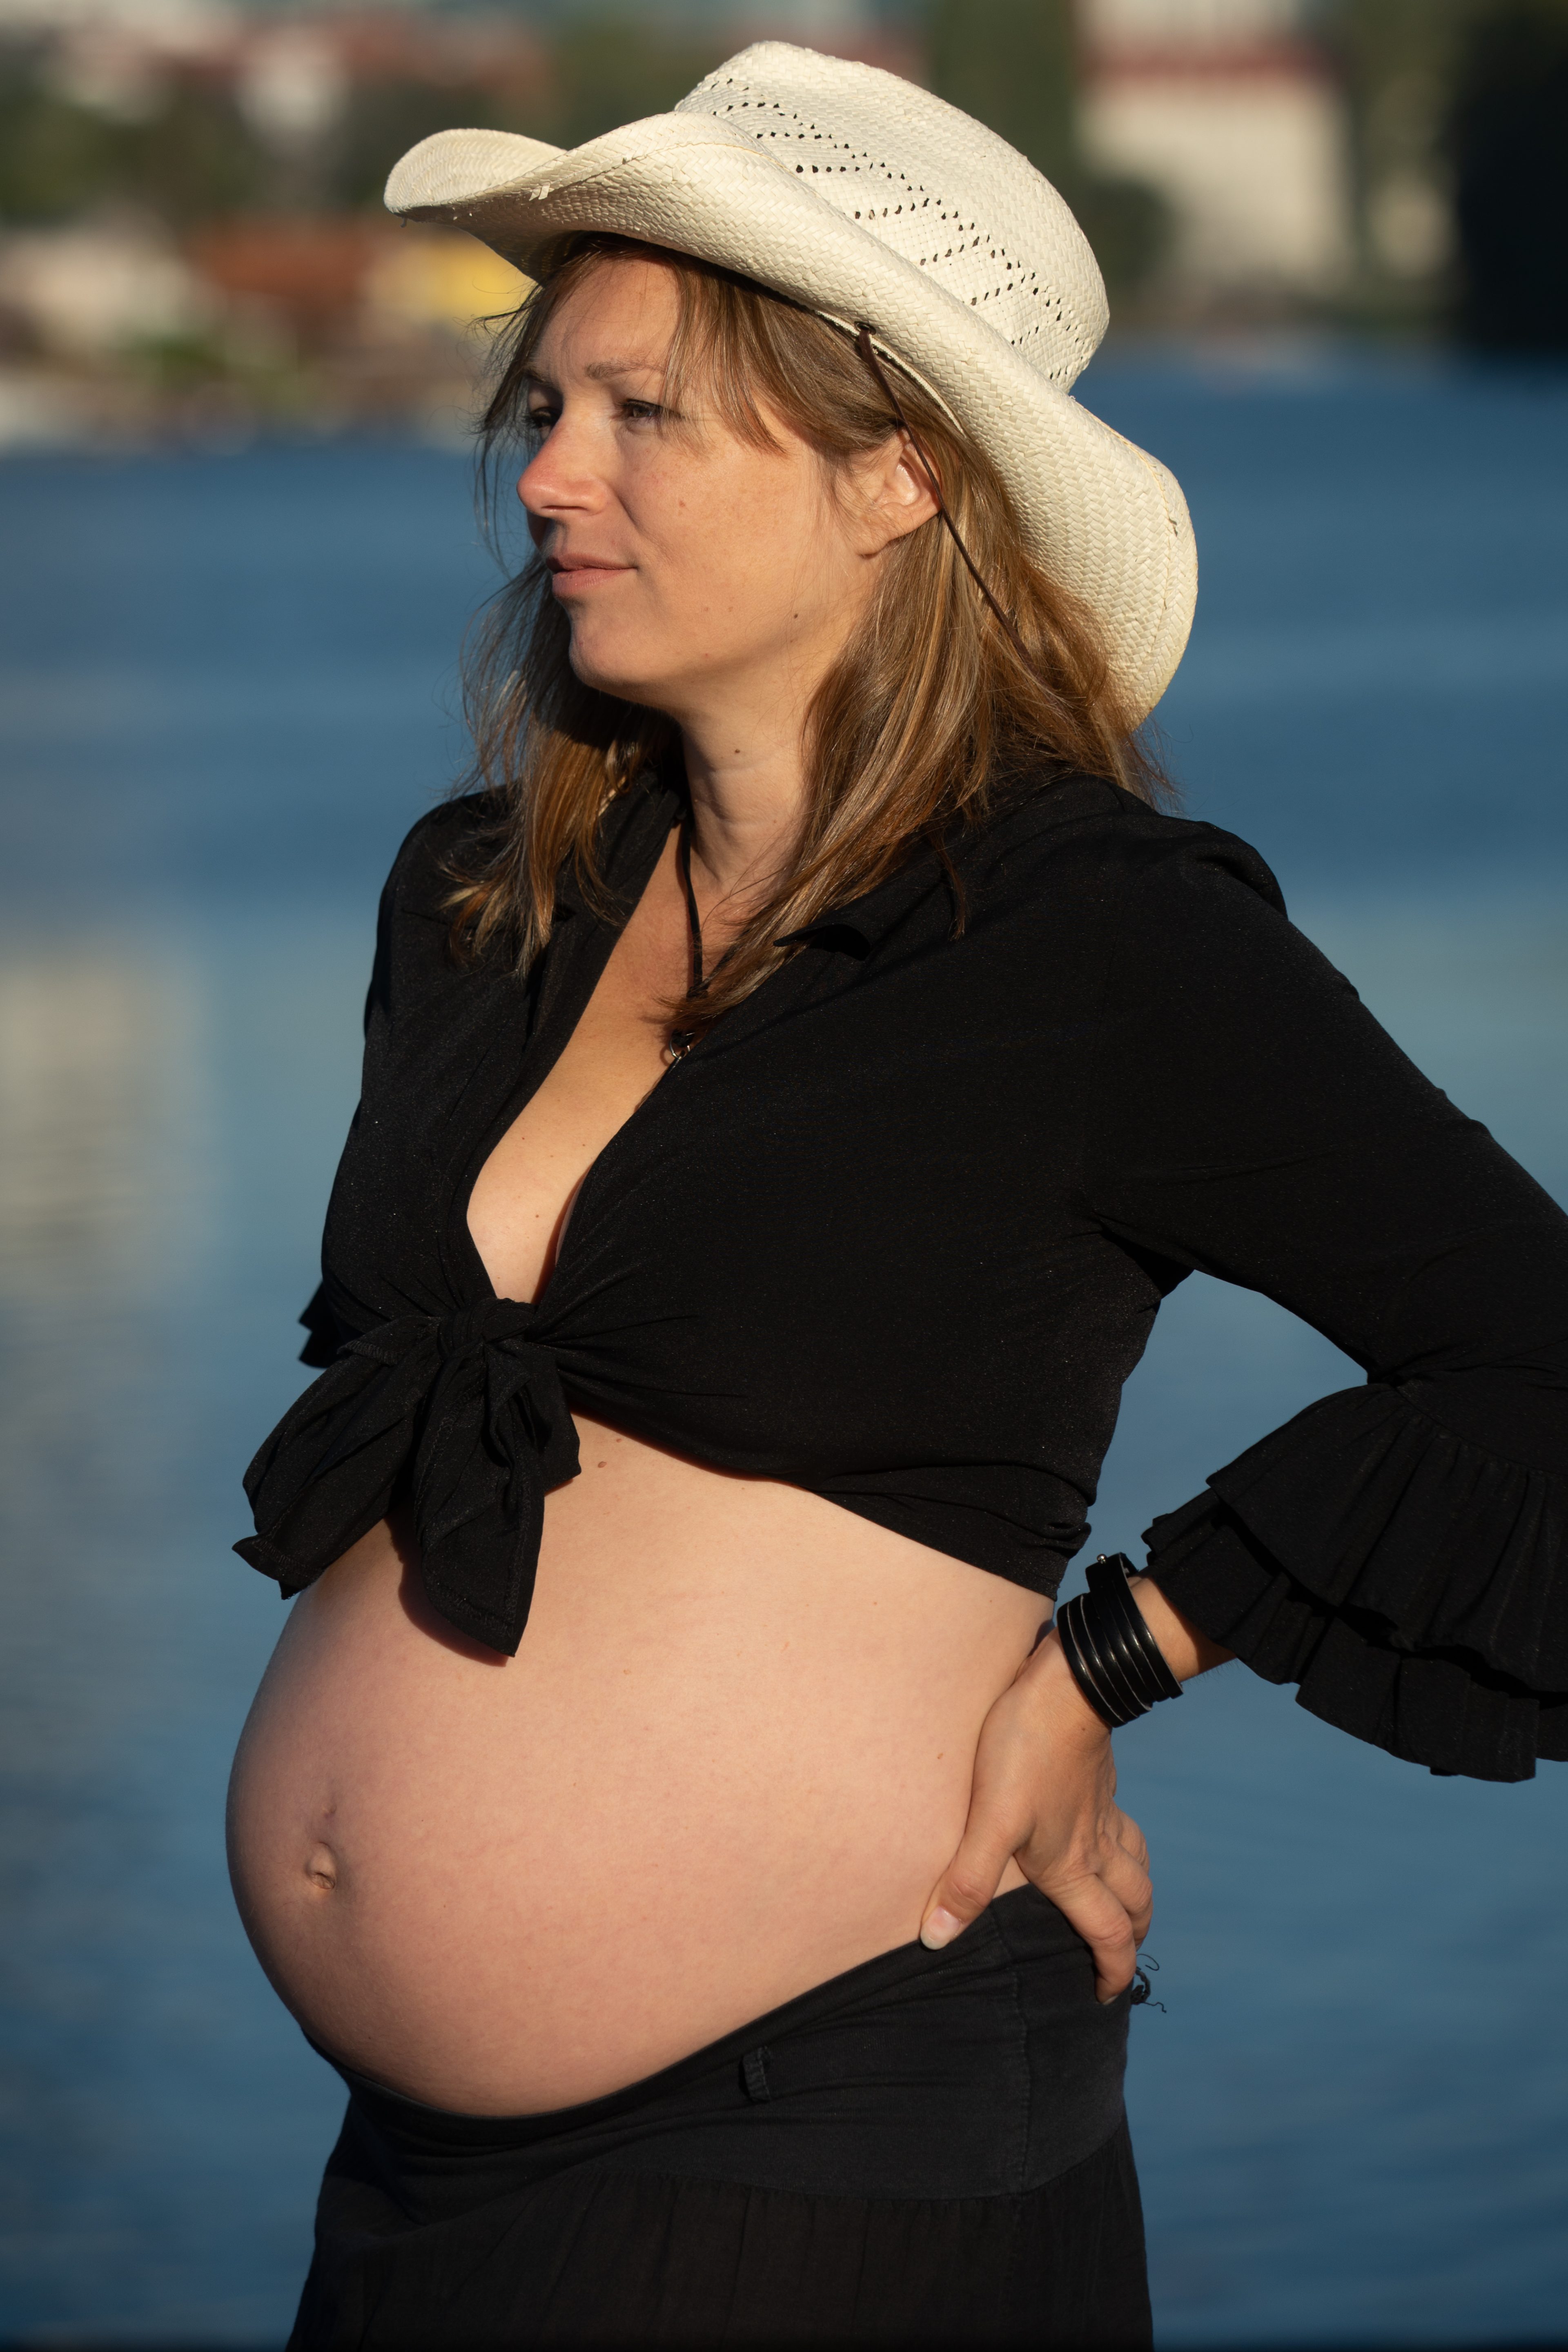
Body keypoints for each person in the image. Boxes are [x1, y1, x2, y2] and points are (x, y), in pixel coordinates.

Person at [225, 42, 1568, 2350]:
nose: (548, 477)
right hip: (411, 2197)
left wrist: (1117, 1659)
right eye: (540, 409)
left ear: (900, 475)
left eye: (644, 415)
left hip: (832, 2148)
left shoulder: (1093, 938)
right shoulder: (481, 901)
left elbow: (1533, 1356)